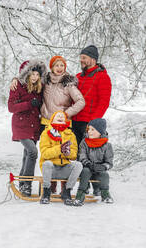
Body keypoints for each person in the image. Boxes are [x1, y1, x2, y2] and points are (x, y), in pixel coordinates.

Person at [10, 55, 85, 193]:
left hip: (62, 124)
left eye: (62, 65)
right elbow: (29, 77)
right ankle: (48, 185)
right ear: (51, 67)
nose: (59, 68)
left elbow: (81, 101)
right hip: (45, 123)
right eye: (56, 65)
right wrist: (15, 79)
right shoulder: (45, 81)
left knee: (63, 153)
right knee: (46, 153)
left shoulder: (68, 84)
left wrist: (66, 113)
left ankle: (64, 187)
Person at [72, 45, 112, 196]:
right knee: (78, 155)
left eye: (84, 57)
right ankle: (85, 184)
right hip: (75, 122)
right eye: (81, 57)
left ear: (93, 60)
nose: (81, 60)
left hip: (90, 124)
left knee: (92, 155)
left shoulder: (102, 77)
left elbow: (104, 101)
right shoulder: (78, 77)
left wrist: (93, 123)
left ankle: (97, 187)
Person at [8, 59, 47, 197]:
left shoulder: (40, 87)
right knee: (32, 152)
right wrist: (29, 104)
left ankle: (23, 181)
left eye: (37, 74)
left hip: (35, 126)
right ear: (26, 74)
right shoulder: (17, 86)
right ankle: (27, 185)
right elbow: (11, 107)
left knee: (27, 155)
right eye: (32, 74)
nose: (35, 77)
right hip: (21, 125)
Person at [39, 111, 83, 205]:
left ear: (65, 121)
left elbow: (74, 155)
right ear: (52, 119)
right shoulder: (46, 133)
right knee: (46, 163)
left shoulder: (70, 134)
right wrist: (59, 149)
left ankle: (66, 192)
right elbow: (44, 154)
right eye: (57, 115)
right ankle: (46, 193)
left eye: (62, 116)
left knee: (78, 165)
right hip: (51, 170)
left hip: (64, 168)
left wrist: (68, 153)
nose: (60, 116)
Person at [73, 118, 114, 206]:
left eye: (93, 129)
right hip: (87, 167)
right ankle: (80, 195)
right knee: (86, 171)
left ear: (100, 131)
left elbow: (109, 162)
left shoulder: (107, 145)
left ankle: (105, 194)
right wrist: (88, 164)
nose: (89, 132)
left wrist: (103, 167)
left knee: (104, 174)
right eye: (88, 129)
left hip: (99, 168)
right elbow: (82, 156)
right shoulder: (84, 142)